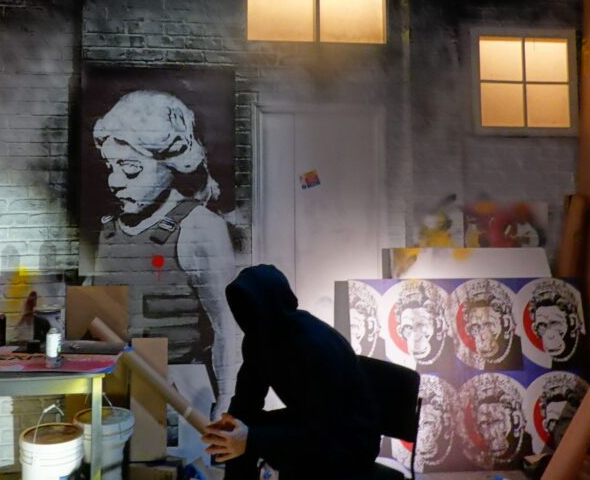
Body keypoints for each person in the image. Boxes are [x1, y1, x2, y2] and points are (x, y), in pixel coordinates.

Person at [91, 90, 237, 409]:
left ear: (170, 163)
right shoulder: (109, 232)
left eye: (130, 168)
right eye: (110, 166)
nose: (115, 181)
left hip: (184, 389)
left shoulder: (201, 227)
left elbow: (228, 328)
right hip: (118, 382)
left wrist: (227, 402)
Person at [202, 265, 382, 479]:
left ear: (271, 303)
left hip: (349, 437)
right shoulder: (258, 340)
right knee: (241, 428)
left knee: (251, 438)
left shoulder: (316, 344)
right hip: (311, 421)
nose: (246, 313)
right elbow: (247, 398)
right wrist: (230, 427)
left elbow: (324, 425)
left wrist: (252, 439)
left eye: (251, 306)